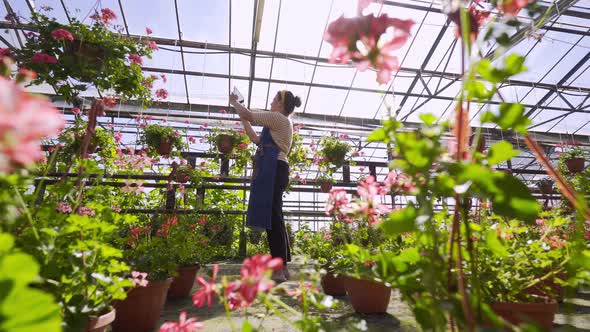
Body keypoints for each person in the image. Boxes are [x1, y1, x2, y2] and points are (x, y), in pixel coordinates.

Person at [229, 90, 301, 281]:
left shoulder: (278, 118)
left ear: (280, 104)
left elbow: (249, 115)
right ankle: (282, 267)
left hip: (274, 168)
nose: (270, 102)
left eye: (273, 99)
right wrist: (241, 114)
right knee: (274, 217)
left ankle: (280, 267)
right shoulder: (278, 123)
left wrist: (235, 102)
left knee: (273, 217)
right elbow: (256, 139)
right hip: (275, 168)